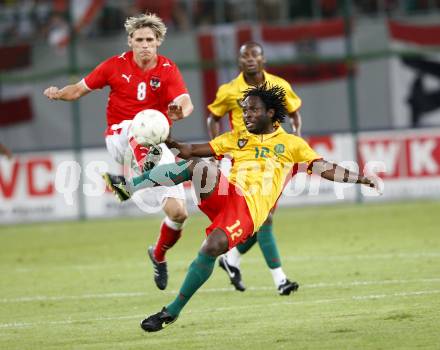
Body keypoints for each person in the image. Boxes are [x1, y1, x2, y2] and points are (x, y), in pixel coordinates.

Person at [102, 83, 381, 332]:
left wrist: (362, 178)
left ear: (271, 113)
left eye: (252, 110)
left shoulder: (291, 144)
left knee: (211, 247)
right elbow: (189, 152)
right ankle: (129, 186)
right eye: (244, 110)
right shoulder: (237, 138)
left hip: (249, 211)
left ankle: (170, 312)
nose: (245, 115)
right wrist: (166, 138)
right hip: (226, 196)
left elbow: (325, 168)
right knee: (198, 166)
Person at [43, 12, 194, 291]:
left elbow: (186, 102)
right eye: (139, 40)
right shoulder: (114, 66)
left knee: (178, 213)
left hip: (155, 146)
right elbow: (78, 90)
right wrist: (57, 92)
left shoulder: (168, 69)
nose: (145, 45)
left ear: (158, 41)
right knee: (140, 126)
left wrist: (179, 111)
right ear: (130, 41)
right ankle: (134, 182)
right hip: (120, 139)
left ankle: (158, 255)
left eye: (150, 39)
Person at [207, 41, 302, 294]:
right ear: (239, 62)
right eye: (245, 55)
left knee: (259, 219)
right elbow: (213, 118)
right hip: (244, 159)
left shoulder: (279, 85)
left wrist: (297, 137)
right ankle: (280, 280)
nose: (250, 59)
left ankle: (231, 259)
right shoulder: (229, 91)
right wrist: (218, 150)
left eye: (255, 54)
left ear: (263, 59)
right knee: (264, 217)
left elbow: (294, 113)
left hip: (275, 159)